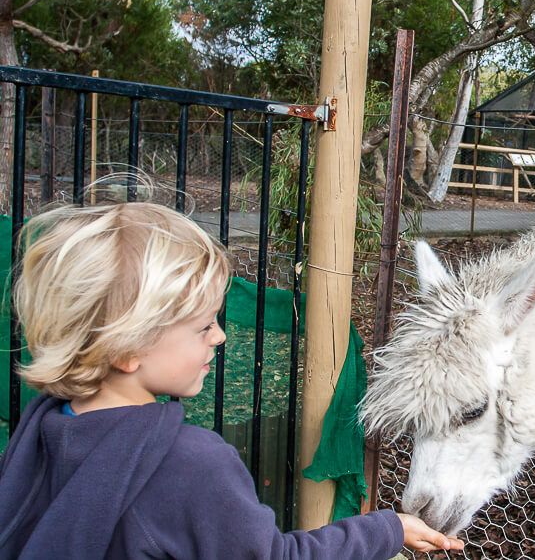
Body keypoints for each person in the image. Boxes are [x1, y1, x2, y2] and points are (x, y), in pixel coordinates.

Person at [0, 201, 463, 559]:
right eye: (203, 326)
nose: (220, 336)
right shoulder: (188, 464)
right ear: (127, 349)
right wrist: (387, 529)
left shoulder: (44, 428)